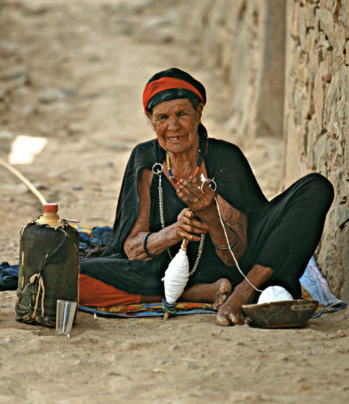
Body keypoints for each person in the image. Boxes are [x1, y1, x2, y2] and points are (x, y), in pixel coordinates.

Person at [80, 68, 334, 326]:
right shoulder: (145, 159)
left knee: (316, 188)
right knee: (73, 279)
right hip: (163, 270)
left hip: (244, 269)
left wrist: (211, 214)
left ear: (199, 112)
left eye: (182, 114)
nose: (173, 126)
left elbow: (235, 256)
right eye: (162, 117)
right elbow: (132, 250)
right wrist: (176, 232)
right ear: (150, 119)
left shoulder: (225, 158)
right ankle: (196, 292)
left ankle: (241, 294)